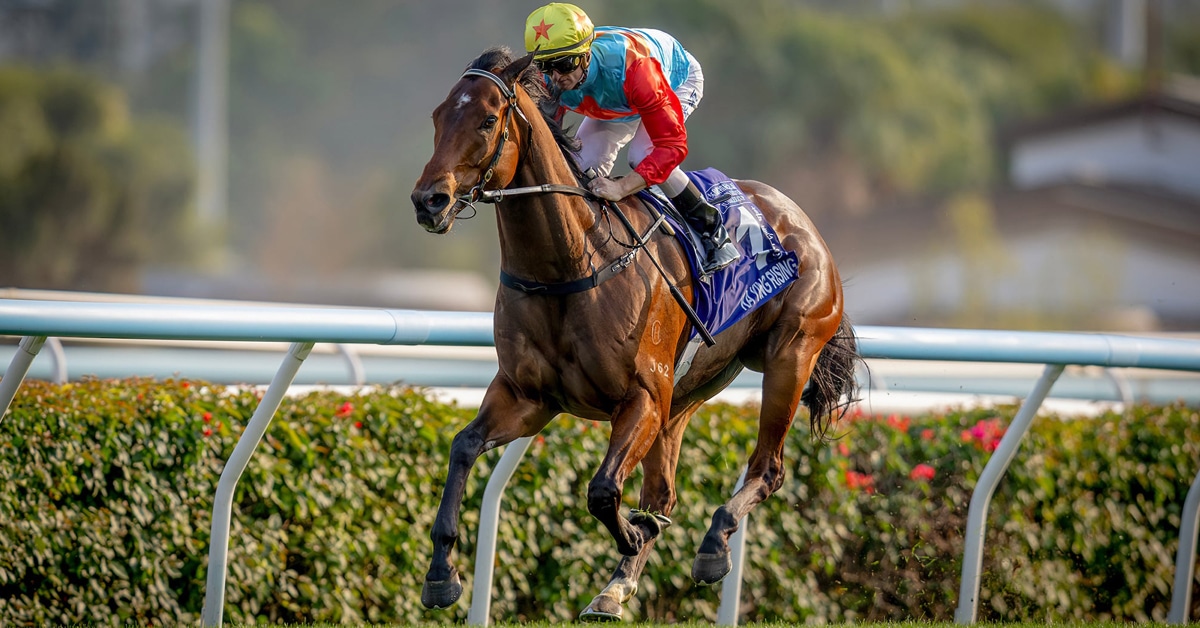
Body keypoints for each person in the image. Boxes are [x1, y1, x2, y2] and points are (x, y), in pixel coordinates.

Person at [524, 2, 740, 274]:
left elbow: (672, 147)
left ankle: (712, 231)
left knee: (641, 157)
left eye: (564, 64)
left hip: (671, 81)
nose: (556, 76)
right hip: (616, 97)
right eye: (546, 65)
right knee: (577, 168)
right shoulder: (549, 79)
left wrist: (623, 187)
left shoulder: (637, 70)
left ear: (585, 54)